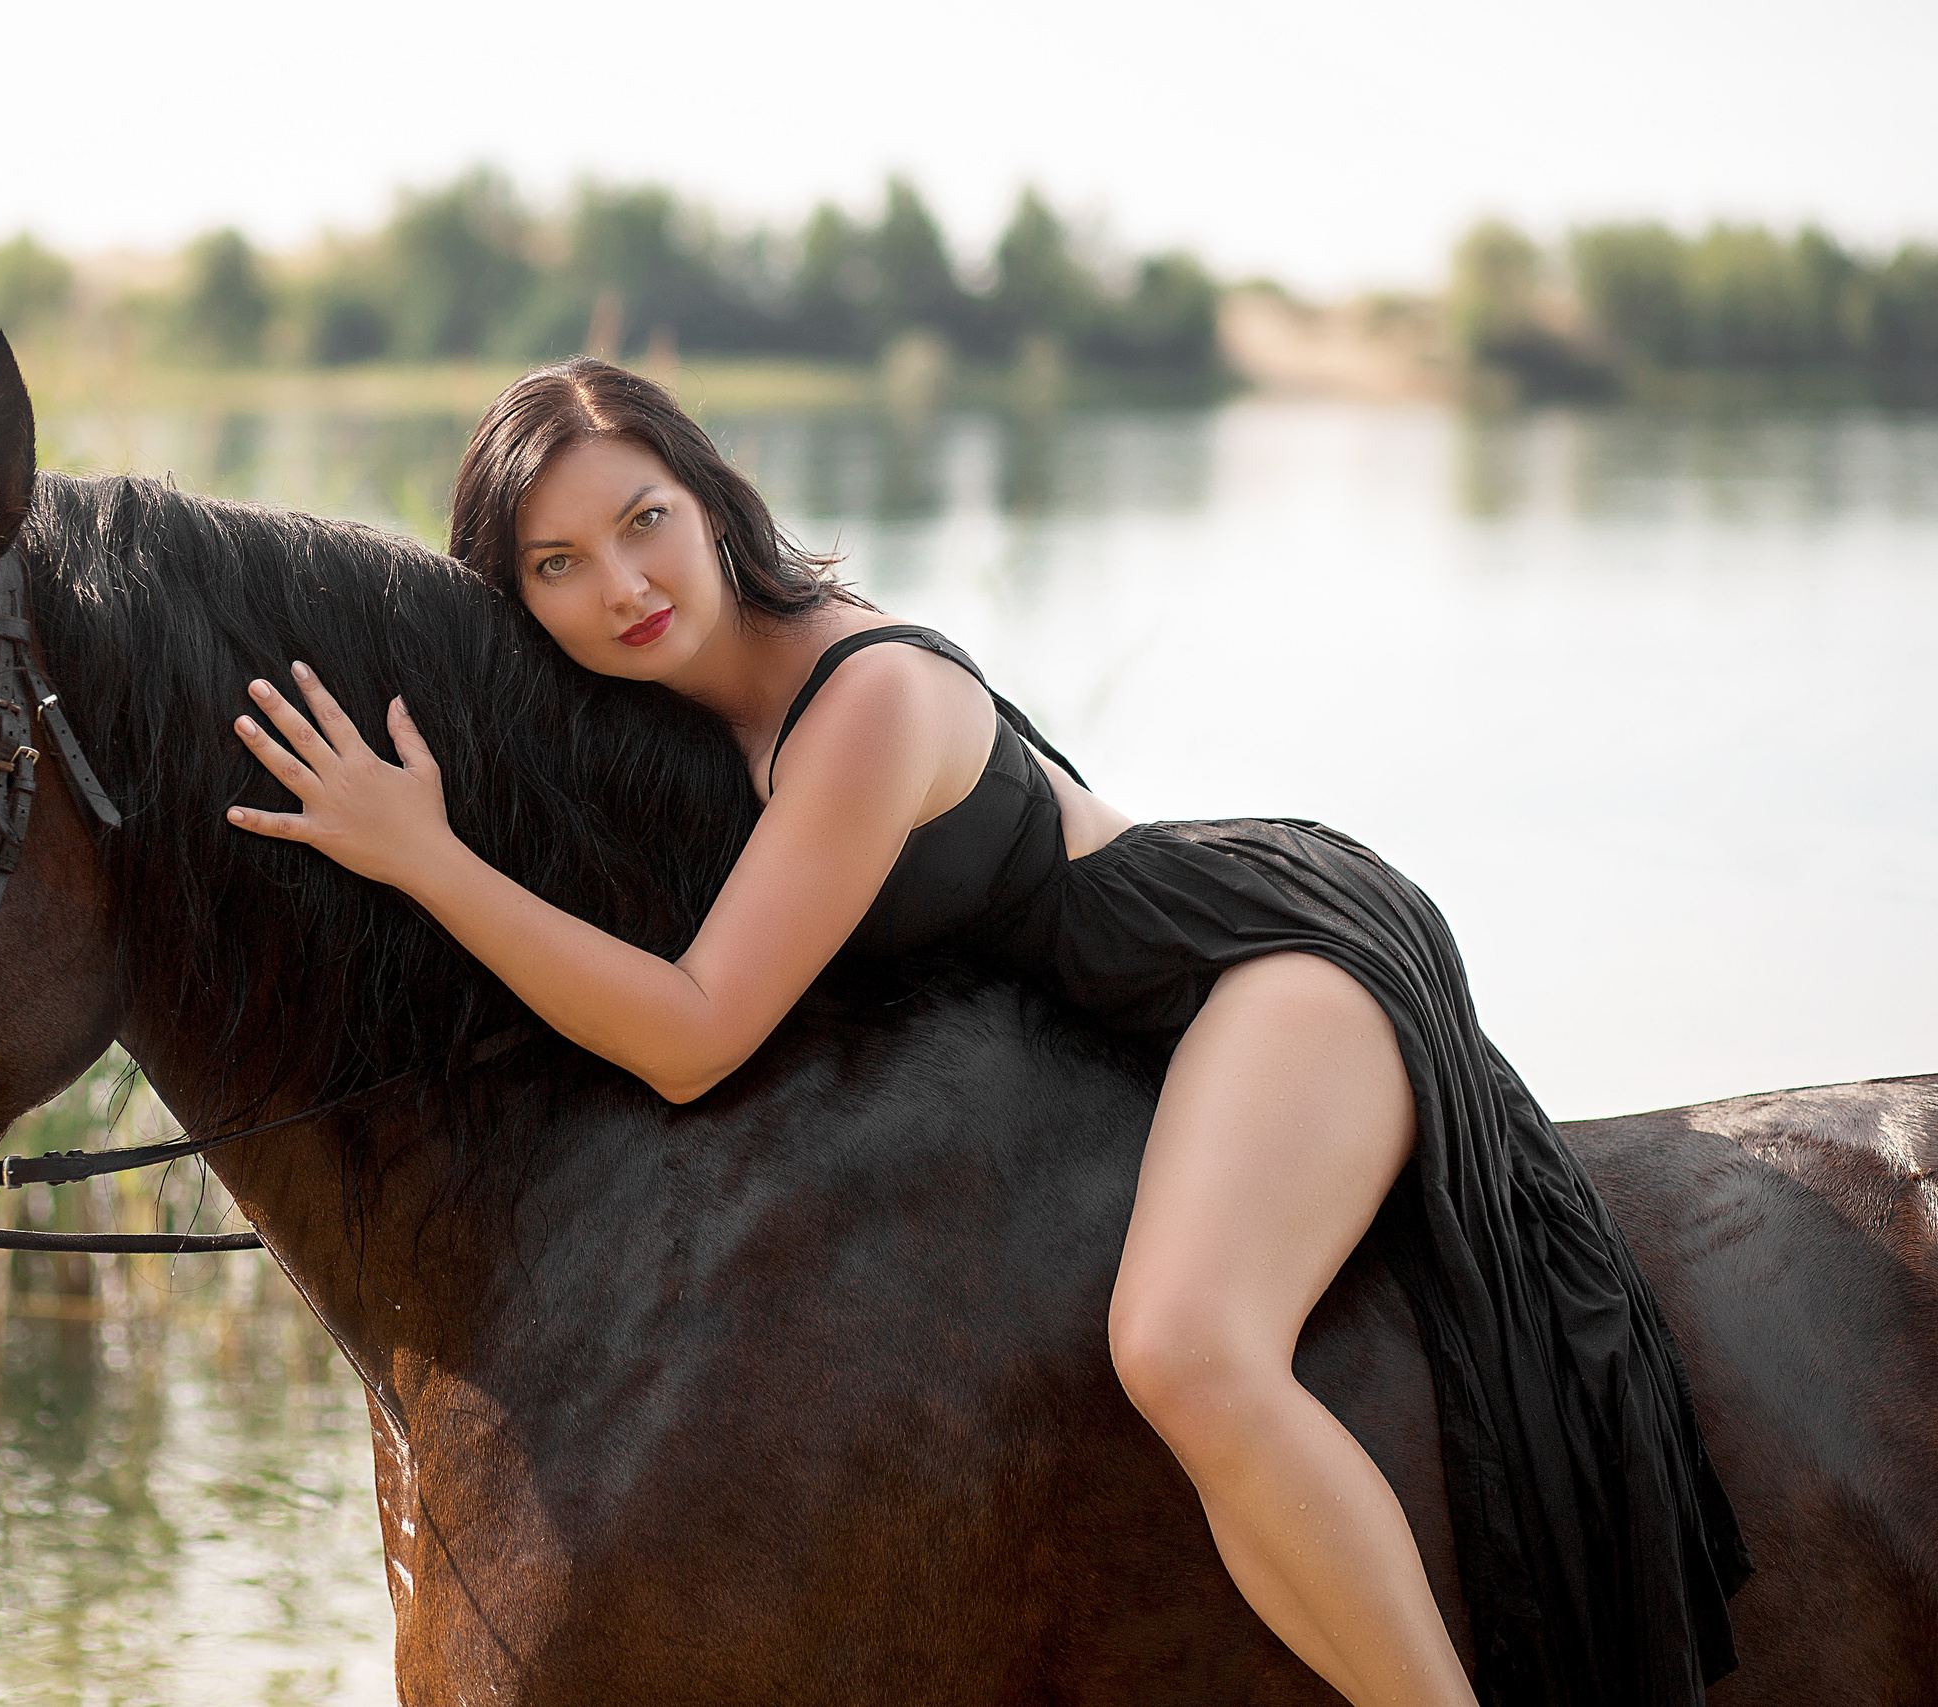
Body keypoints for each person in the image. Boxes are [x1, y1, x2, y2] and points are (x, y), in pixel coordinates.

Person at [223, 358, 1748, 1707]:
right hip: (1149, 1002)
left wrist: (427, 860)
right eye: (557, 564)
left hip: (1259, 965)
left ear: (707, 499)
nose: (621, 584)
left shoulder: (861, 700)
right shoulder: (690, 713)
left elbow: (691, 1031)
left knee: (1189, 1353)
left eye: (643, 521)